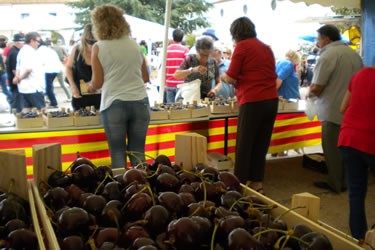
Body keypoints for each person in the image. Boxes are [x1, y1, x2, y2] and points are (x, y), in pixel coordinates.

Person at [220, 16, 278, 194]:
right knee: (261, 144)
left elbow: (230, 77)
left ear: (235, 33)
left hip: (252, 100)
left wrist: (222, 77)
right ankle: (257, 182)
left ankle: (238, 185)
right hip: (271, 100)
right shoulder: (266, 48)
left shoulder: (242, 47)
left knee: (244, 144)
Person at [89, 4, 151, 168]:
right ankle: (143, 190)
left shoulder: (99, 47)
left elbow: (98, 83)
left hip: (114, 103)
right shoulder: (135, 45)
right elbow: (145, 77)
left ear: (98, 25)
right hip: (140, 102)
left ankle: (122, 191)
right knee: (138, 153)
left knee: (117, 154)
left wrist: (89, 87)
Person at [308, 24, 363, 193]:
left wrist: (308, 95)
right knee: (347, 150)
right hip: (351, 109)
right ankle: (346, 181)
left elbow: (317, 87)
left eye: (318, 39)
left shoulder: (328, 55)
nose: (317, 43)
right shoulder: (353, 54)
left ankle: (335, 183)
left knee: (332, 149)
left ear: (326, 38)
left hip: (332, 110)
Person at [338, 66, 375, 240]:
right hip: (371, 140)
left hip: (350, 138)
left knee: (356, 191)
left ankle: (359, 238)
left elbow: (343, 107)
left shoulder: (359, 75)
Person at [65, 23, 101, 111]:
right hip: (80, 95)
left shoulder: (103, 51)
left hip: (101, 96)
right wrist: (73, 86)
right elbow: (68, 68)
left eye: (96, 41)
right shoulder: (77, 50)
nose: (93, 45)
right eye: (90, 42)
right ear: (84, 39)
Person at [13, 32, 45, 111]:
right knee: (42, 110)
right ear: (32, 41)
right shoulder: (30, 52)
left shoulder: (22, 51)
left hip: (24, 87)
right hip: (34, 87)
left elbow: (18, 67)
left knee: (27, 110)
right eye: (37, 41)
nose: (38, 43)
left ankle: (25, 123)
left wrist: (17, 77)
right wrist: (19, 78)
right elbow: (28, 69)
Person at [165, 28, 189, 103]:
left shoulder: (166, 50)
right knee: (180, 110)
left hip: (169, 83)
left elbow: (163, 68)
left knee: (170, 109)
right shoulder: (185, 50)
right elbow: (188, 66)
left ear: (173, 37)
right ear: (182, 38)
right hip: (181, 84)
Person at [38, 39, 64, 109]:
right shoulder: (49, 50)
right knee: (49, 86)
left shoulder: (39, 51)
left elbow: (40, 62)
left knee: (47, 87)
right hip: (56, 69)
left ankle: (53, 102)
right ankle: (51, 101)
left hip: (48, 70)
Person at [6, 33, 24, 113]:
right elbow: (14, 69)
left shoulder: (15, 51)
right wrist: (18, 77)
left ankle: (15, 113)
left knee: (17, 99)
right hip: (14, 80)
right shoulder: (14, 53)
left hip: (14, 79)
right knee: (16, 100)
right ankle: (15, 114)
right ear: (18, 43)